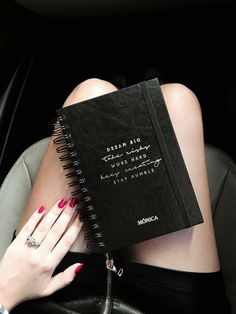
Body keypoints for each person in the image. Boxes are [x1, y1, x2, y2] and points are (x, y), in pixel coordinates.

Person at [0, 78, 231, 313]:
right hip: (170, 302)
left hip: (38, 291)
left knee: (91, 95)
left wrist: (5, 292)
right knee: (178, 102)